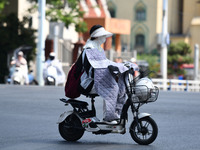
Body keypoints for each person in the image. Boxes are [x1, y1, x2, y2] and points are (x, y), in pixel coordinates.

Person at [76, 25, 129, 123]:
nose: (104, 38)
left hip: (97, 80)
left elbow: (105, 63)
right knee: (112, 88)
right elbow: (91, 70)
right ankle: (108, 118)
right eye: (102, 36)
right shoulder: (89, 49)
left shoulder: (97, 48)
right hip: (88, 82)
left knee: (120, 87)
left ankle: (115, 114)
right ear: (96, 36)